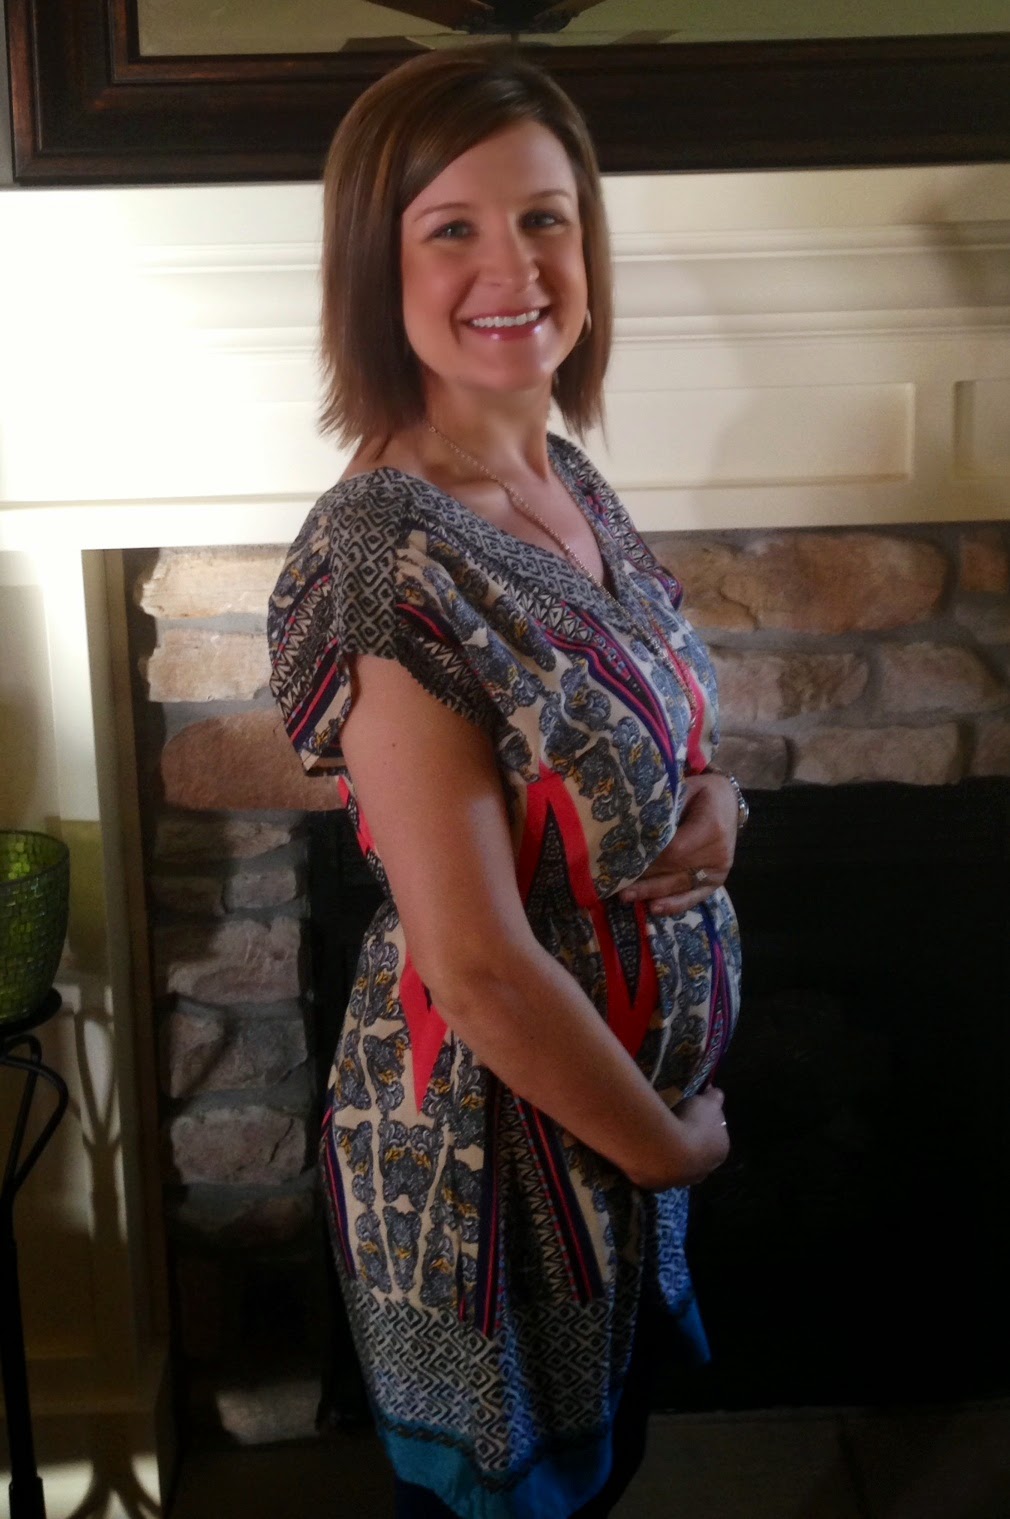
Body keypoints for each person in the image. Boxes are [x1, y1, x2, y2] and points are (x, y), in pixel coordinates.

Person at [268, 46, 745, 1519]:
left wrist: (719, 804)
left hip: (603, 1127)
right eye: (452, 228)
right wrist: (664, 1150)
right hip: (489, 1169)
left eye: (545, 217)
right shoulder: (383, 558)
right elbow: (473, 965)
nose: (514, 266)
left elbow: (646, 726)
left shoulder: (563, 479)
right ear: (377, 267)